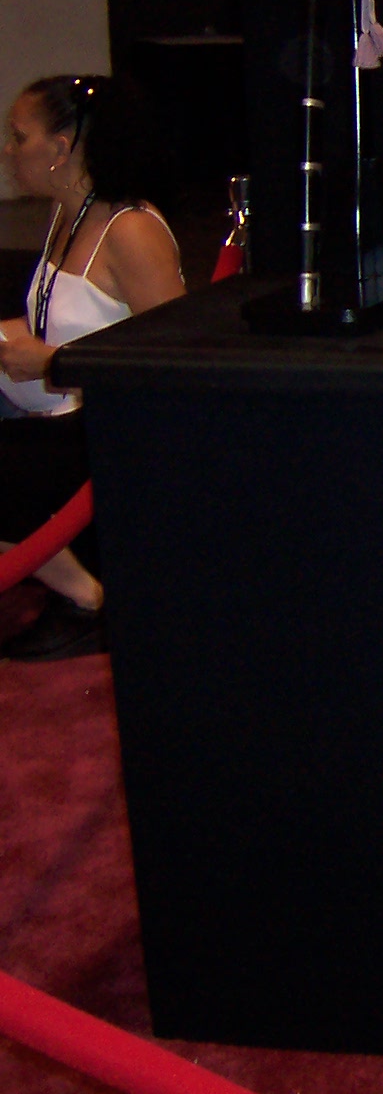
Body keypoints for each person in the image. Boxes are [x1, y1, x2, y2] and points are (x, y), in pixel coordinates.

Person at [0, 75, 184, 660]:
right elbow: (69, 322)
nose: (8, 151)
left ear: (61, 147)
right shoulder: (69, 215)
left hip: (108, 431)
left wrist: (53, 360)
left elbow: (176, 359)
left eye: (18, 137)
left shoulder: (129, 229)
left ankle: (87, 599)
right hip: (63, 408)